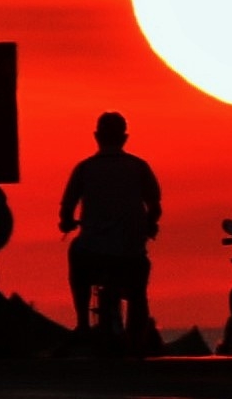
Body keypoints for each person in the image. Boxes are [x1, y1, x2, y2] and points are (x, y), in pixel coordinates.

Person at [58, 112, 161, 352]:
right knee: (138, 291)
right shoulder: (138, 167)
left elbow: (67, 207)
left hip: (93, 251)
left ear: (97, 136)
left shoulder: (85, 168)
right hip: (130, 252)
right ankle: (137, 340)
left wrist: (66, 223)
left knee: (76, 256)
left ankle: (82, 323)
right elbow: (155, 206)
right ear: (125, 137)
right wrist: (148, 224)